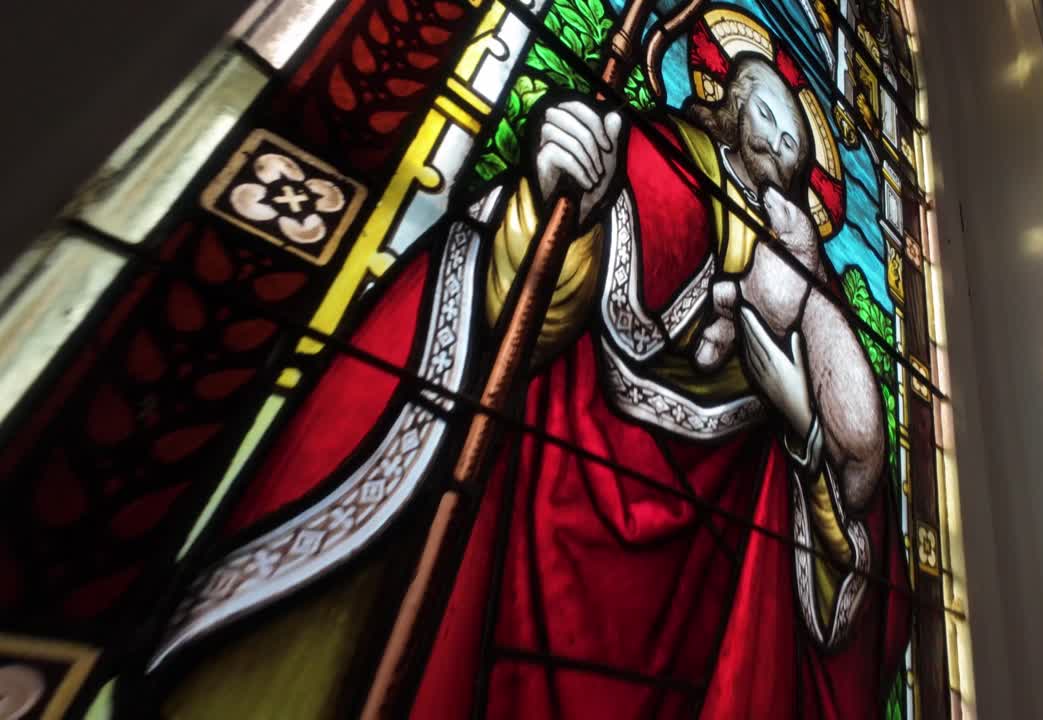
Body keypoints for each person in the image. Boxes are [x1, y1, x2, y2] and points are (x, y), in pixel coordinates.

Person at [165, 51, 909, 719]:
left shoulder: (799, 252)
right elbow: (534, 312)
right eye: (770, 115)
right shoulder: (656, 154)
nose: (779, 142)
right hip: (560, 496)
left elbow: (852, 455)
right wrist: (556, 204)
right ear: (729, 104)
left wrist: (799, 414)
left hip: (717, 570)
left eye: (794, 142)